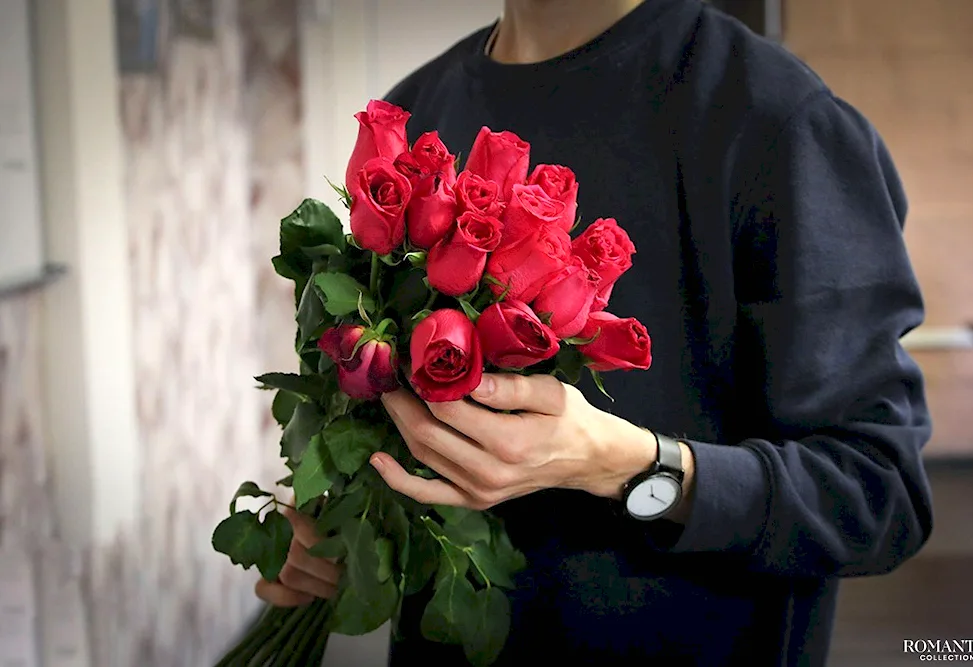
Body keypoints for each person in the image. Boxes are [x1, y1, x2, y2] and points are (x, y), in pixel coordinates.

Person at [256, 0, 935, 664]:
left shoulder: (774, 122)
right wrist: (340, 536)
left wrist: (630, 466)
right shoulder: (419, 113)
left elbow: (879, 494)